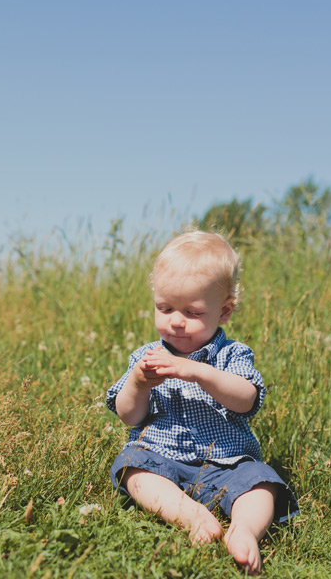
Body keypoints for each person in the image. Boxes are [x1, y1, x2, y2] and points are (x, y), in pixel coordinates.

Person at [106, 230, 297, 575]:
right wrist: (137, 382)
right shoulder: (146, 357)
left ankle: (244, 530)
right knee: (131, 466)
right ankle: (191, 516)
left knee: (263, 482)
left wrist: (198, 372)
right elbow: (127, 414)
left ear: (224, 311)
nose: (176, 321)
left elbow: (246, 399)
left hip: (228, 463)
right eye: (165, 308)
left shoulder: (231, 354)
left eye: (192, 312)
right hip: (162, 458)